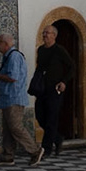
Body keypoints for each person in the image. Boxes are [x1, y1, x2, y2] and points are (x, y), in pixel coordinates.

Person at [0, 33, 40, 165]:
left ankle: (35, 151)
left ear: (5, 44)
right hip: (8, 98)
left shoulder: (13, 57)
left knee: (15, 127)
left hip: (14, 98)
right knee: (8, 128)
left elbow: (13, 77)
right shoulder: (8, 57)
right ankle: (8, 156)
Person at [32, 24, 75, 160]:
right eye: (44, 33)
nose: (44, 35)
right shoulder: (41, 50)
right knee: (40, 117)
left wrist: (64, 81)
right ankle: (57, 137)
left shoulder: (59, 50)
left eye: (47, 33)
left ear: (54, 36)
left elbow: (72, 66)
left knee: (51, 118)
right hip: (42, 90)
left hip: (54, 90)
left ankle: (46, 149)